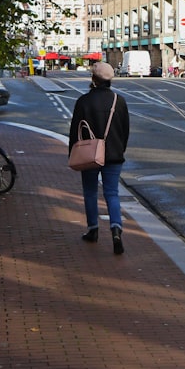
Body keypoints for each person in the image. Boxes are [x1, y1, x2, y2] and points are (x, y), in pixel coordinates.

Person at [69, 61, 131, 254]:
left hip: (89, 154)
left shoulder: (83, 101)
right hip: (114, 154)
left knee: (90, 192)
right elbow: (125, 130)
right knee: (112, 193)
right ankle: (116, 228)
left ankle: (93, 229)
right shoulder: (118, 101)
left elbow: (74, 131)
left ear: (93, 79)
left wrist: (73, 152)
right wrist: (120, 149)